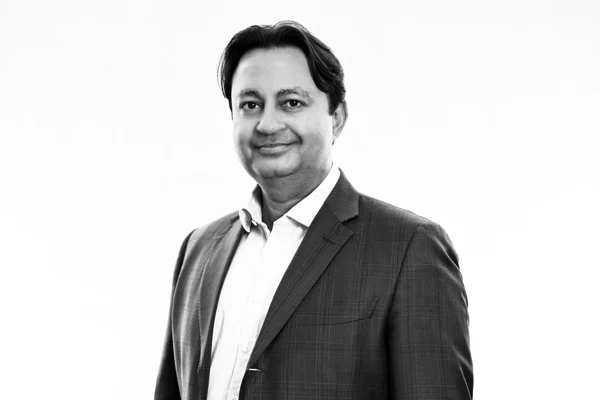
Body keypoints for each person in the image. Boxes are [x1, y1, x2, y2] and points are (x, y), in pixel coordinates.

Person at [155, 21, 473, 400]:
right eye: (250, 105)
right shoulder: (199, 249)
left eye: (291, 102)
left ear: (336, 117)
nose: (267, 124)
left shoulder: (409, 248)